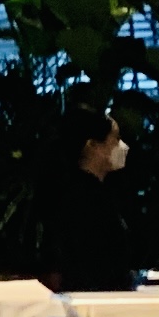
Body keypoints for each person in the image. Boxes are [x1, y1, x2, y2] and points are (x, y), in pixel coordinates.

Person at [35, 104, 142, 294]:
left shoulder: (85, 192)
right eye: (115, 139)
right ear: (93, 145)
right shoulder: (86, 199)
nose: (122, 146)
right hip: (95, 298)